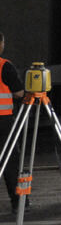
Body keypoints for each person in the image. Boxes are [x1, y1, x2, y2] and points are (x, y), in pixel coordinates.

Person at [0, 32, 27, 213]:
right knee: (10, 161)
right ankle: (18, 202)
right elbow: (18, 93)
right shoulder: (5, 66)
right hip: (3, 120)